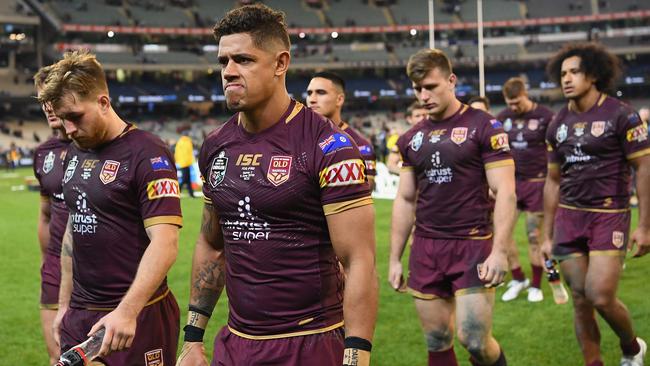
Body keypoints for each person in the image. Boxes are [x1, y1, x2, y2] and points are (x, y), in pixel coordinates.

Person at [176, 4, 378, 366]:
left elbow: (358, 259)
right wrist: (193, 338)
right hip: (236, 344)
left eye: (243, 60)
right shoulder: (215, 146)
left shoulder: (327, 146)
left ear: (281, 63)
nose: (229, 72)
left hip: (310, 344)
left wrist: (356, 354)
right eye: (224, 62)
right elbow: (211, 243)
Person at [38, 50, 182, 364]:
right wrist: (64, 306)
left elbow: (166, 242)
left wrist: (127, 312)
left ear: (104, 102)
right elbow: (73, 231)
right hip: (80, 314)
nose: (70, 129)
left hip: (138, 316)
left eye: (75, 116)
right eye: (63, 120)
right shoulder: (75, 152)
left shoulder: (149, 152)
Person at [388, 48, 516, 366]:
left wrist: (500, 251)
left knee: (474, 340)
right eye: (418, 89)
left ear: (451, 80)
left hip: (472, 244)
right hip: (427, 248)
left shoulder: (485, 126)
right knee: (436, 340)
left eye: (431, 86)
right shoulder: (410, 139)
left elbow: (506, 191)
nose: (424, 95)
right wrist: (394, 258)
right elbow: (405, 199)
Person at [542, 42, 649, 366]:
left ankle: (632, 348)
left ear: (594, 75)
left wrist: (644, 225)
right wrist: (546, 236)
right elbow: (553, 181)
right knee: (579, 299)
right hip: (569, 218)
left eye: (575, 71)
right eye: (563, 73)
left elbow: (644, 167)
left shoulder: (621, 114)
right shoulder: (556, 124)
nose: (567, 79)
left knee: (600, 296)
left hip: (609, 215)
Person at [496, 77, 555, 302]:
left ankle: (537, 285)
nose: (514, 107)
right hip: (511, 184)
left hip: (537, 184)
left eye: (517, 102)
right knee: (503, 234)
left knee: (533, 236)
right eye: (510, 103)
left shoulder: (545, 116)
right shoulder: (502, 118)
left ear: (525, 94)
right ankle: (519, 278)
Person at [32, 65, 72, 364]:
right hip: (56, 273)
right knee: (57, 358)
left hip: (96, 275)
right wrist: (48, 263)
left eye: (53, 97)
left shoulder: (101, 149)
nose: (49, 107)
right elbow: (45, 215)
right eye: (42, 100)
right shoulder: (44, 153)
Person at [306, 71, 377, 190]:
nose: (312, 99)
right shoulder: (295, 137)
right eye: (309, 93)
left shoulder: (360, 145)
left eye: (321, 92)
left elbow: (364, 188)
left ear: (339, 99)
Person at [386, 101, 428, 174]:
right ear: (409, 119)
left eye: (424, 115)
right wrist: (410, 176)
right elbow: (391, 165)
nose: (422, 118)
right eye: (417, 116)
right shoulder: (404, 140)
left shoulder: (436, 135)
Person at [174, 131, 196, 198]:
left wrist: (178, 161)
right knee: (184, 180)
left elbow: (177, 153)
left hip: (182, 163)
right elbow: (189, 153)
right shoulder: (188, 142)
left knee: (187, 180)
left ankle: (191, 194)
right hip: (186, 163)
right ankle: (177, 192)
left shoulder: (179, 142)